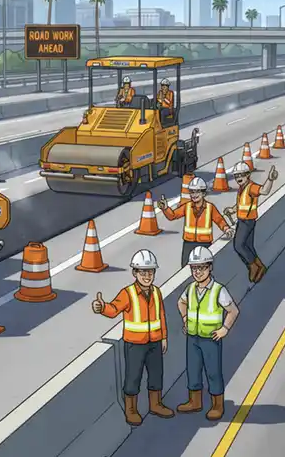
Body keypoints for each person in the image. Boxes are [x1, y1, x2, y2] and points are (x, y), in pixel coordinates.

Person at [92, 249, 174, 426]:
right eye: (143, 272)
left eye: (150, 272)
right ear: (135, 273)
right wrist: (102, 307)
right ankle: (131, 410)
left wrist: (164, 337)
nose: (147, 276)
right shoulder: (127, 293)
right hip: (134, 344)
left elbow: (161, 316)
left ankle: (156, 404)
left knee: (156, 374)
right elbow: (114, 309)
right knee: (133, 377)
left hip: (155, 342)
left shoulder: (157, 292)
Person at [177, 246, 239, 420]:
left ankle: (217, 405)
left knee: (213, 372)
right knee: (193, 370)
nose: (197, 272)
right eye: (194, 268)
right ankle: (194, 401)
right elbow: (181, 303)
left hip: (210, 339)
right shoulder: (190, 289)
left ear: (210, 267)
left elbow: (233, 310)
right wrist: (184, 319)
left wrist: (224, 329)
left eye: (201, 267)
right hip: (193, 337)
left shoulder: (218, 290)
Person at [157, 176, 234, 265]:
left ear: (204, 193)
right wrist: (165, 208)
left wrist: (226, 229)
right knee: (185, 269)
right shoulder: (187, 206)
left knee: (205, 267)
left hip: (205, 243)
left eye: (197, 192)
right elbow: (172, 216)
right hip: (188, 244)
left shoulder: (210, 207)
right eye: (192, 192)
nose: (194, 195)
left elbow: (219, 220)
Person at [224, 162, 277, 283]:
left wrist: (270, 179)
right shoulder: (242, 189)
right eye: (236, 176)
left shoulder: (251, 187)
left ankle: (253, 266)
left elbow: (264, 191)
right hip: (245, 220)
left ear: (248, 175)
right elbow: (241, 204)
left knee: (239, 245)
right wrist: (232, 210)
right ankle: (260, 266)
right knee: (248, 246)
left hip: (247, 221)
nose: (238, 178)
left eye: (241, 175)